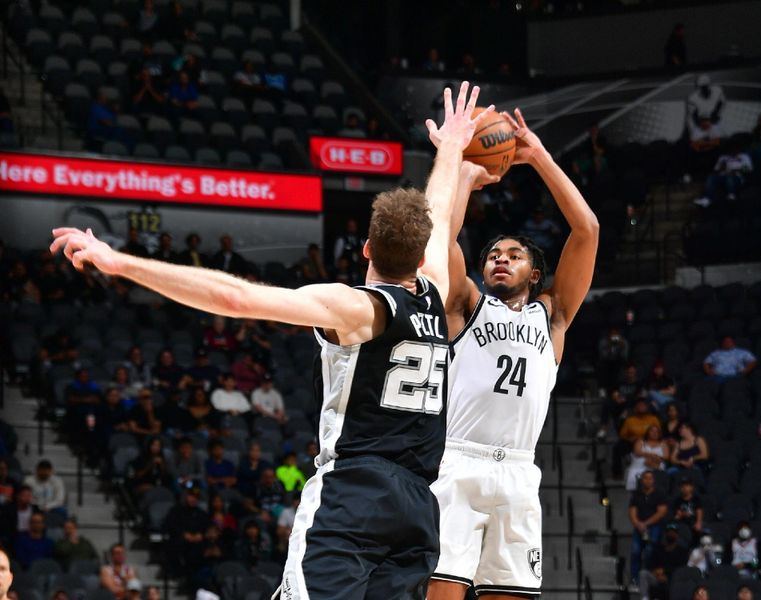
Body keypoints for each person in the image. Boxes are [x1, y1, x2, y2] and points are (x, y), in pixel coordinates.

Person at [51, 80, 488, 599]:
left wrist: (119, 262)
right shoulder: (435, 292)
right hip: (418, 506)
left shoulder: (356, 307)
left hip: (354, 495)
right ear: (420, 257)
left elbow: (235, 299)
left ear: (367, 246)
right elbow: (436, 217)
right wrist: (454, 146)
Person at [428, 106, 599, 599]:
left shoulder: (554, 316)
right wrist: (460, 171)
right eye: (493, 255)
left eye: (514, 254)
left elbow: (586, 230)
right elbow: (441, 239)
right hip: (459, 463)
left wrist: (540, 156)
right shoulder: (465, 304)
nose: (501, 259)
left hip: (520, 472)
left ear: (535, 274)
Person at [628, 470, 668, 585]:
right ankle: (634, 578)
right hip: (639, 527)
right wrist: (638, 524)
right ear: (642, 480)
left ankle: (647, 577)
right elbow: (632, 511)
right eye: (645, 478)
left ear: (653, 480)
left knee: (650, 551)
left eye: (650, 478)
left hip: (654, 526)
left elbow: (661, 512)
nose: (647, 481)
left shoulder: (659, 493)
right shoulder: (637, 494)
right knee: (635, 552)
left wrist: (646, 524)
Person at [612, 398, 662, 479]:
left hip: (649, 442)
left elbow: (659, 433)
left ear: (647, 407)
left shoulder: (653, 419)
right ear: (635, 408)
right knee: (617, 448)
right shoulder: (629, 420)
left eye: (643, 405)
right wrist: (630, 439)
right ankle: (617, 474)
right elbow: (623, 435)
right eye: (639, 405)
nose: (641, 407)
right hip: (633, 442)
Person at [638, 522, 689, 600]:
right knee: (643, 573)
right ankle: (645, 598)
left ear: (677, 535)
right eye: (669, 532)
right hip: (657, 577)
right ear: (665, 534)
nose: (670, 534)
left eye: (673, 532)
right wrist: (656, 573)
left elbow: (681, 568)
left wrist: (665, 572)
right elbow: (650, 565)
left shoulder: (682, 551)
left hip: (673, 579)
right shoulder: (658, 549)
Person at [626, 425, 668, 492]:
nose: (654, 433)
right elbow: (637, 452)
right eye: (652, 431)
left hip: (656, 469)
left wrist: (655, 458)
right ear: (648, 432)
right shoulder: (640, 442)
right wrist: (651, 455)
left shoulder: (663, 444)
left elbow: (666, 457)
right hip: (639, 468)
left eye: (657, 432)